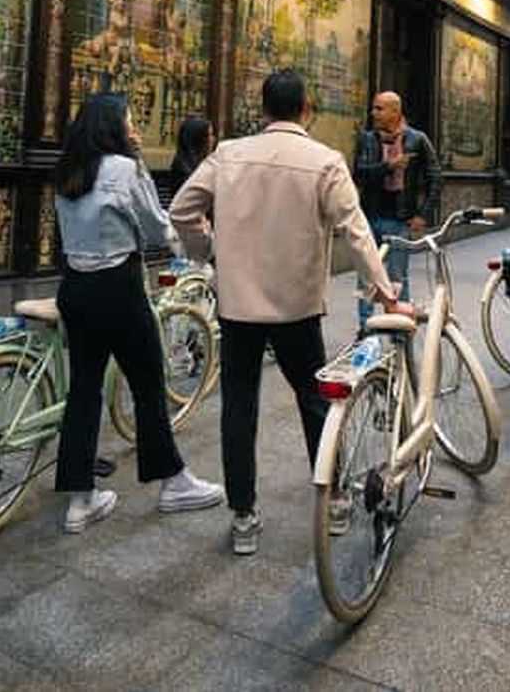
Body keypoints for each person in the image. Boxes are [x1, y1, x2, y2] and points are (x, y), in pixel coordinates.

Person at [169, 69, 406, 555]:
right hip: (297, 306)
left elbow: (181, 209)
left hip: (239, 306)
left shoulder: (229, 153)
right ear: (306, 109)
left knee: (238, 405)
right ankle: (336, 497)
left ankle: (244, 516)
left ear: (263, 109)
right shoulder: (324, 161)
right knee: (315, 400)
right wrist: (384, 291)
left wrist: (208, 252)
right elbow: (355, 230)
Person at [54, 93, 224, 534]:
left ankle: (80, 499)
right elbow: (153, 225)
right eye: (129, 120)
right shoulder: (125, 168)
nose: (134, 128)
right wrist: (189, 248)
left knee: (84, 390)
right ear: (112, 126)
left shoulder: (69, 168)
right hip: (118, 286)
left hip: (74, 287)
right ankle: (173, 482)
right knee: (149, 384)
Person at [352, 91, 441, 333]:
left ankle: (400, 331)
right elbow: (358, 173)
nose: (374, 113)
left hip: (400, 220)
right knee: (366, 278)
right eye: (374, 108)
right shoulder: (367, 139)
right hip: (370, 216)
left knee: (397, 279)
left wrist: (423, 213)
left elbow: (435, 176)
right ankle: (365, 331)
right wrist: (388, 166)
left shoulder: (417, 139)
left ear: (395, 111)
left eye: (379, 108)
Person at [169, 117, 216, 197]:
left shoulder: (202, 162)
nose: (213, 139)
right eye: (209, 135)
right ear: (199, 139)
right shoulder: (183, 169)